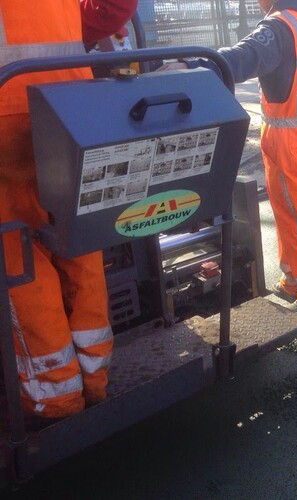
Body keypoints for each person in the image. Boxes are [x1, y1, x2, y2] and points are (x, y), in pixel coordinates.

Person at [0, 0, 136, 419]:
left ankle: (57, 399)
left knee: (20, 253)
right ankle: (94, 379)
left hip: (5, 111)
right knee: (78, 238)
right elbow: (116, 6)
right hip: (71, 107)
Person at [159, 0, 297, 317]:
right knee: (289, 209)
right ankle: (295, 278)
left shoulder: (280, 26)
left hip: (290, 138)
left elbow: (243, 57)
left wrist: (191, 66)